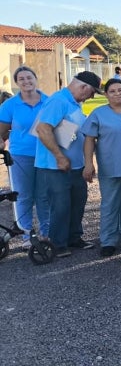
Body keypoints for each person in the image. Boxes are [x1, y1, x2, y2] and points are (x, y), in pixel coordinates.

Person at [34, 71, 102, 257]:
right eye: (92, 92)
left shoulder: (73, 103)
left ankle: (73, 237)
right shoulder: (58, 101)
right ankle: (57, 243)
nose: (92, 97)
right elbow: (43, 129)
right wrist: (59, 156)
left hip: (75, 166)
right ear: (84, 87)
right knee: (61, 204)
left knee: (77, 201)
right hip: (55, 166)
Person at [81, 78, 121, 257]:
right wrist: (88, 163)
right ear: (106, 94)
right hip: (111, 167)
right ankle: (108, 240)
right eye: (113, 91)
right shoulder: (98, 114)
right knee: (110, 204)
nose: (118, 94)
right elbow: (89, 140)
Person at [0, 66, 49, 246]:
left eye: (29, 77)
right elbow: (1, 131)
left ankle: (46, 233)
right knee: (23, 196)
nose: (26, 81)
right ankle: (27, 235)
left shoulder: (49, 101)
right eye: (21, 79)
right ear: (17, 83)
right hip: (20, 156)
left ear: (36, 79)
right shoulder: (10, 105)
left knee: (45, 196)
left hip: (46, 155)